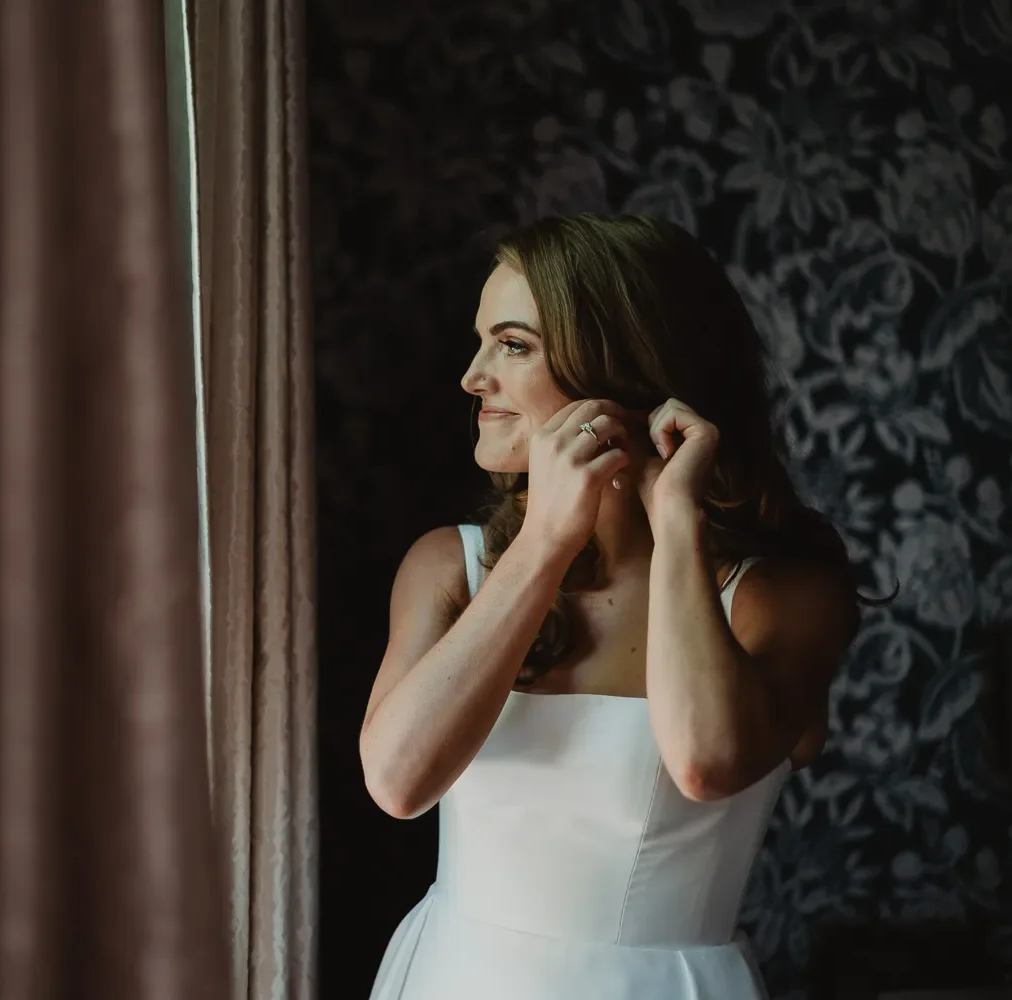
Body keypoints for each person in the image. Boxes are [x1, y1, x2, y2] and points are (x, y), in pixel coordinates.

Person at [360, 214, 865, 999]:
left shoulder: (782, 594)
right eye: (482, 339)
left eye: (513, 344)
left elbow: (705, 761)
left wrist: (676, 525)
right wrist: (544, 544)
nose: (473, 376)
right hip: (455, 976)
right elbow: (397, 783)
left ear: (622, 367)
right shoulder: (447, 568)